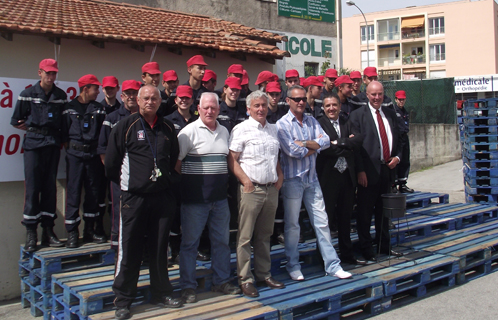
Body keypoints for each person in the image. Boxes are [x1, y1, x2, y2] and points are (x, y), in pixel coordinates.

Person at [106, 85, 183, 319]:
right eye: (146, 98)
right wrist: (131, 185)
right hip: (133, 199)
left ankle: (161, 292)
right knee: (129, 249)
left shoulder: (169, 127)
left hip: (161, 198)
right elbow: (111, 164)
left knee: (160, 249)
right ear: (137, 101)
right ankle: (123, 299)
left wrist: (167, 182)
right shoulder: (124, 127)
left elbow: (173, 161)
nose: (150, 102)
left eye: (155, 98)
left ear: (161, 102)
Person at [277, 85, 352, 281]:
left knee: (322, 223)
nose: (301, 102)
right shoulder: (282, 125)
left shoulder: (311, 120)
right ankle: (293, 266)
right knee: (293, 226)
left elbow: (326, 140)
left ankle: (332, 265)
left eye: (303, 98)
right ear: (288, 101)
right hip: (293, 181)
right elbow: (293, 151)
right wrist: (314, 146)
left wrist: (305, 143)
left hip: (312, 179)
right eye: (296, 99)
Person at [177, 92, 241, 304]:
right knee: (190, 245)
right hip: (195, 202)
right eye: (206, 107)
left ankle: (221, 281)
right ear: (199, 108)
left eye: (214, 107)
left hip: (220, 201)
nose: (210, 111)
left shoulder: (224, 131)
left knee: (222, 243)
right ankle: (187, 287)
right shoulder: (188, 133)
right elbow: (176, 166)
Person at [228, 90, 285, 297]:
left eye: (263, 105)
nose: (261, 109)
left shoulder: (273, 129)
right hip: (251, 189)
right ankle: (245, 279)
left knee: (264, 235)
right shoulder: (241, 129)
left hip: (271, 189)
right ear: (248, 109)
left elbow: (275, 156)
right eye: (257, 106)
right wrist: (245, 181)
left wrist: (280, 175)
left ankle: (264, 274)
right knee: (245, 237)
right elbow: (232, 159)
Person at [11, 58, 66, 252]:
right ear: (39, 73)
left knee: (50, 188)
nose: (51, 77)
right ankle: (31, 233)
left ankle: (48, 231)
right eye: (48, 73)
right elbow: (16, 120)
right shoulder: (27, 94)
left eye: (54, 73)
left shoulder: (60, 95)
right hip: (34, 145)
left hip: (52, 144)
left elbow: (64, 122)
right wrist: (33, 129)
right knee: (33, 187)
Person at [349, 81, 403, 261]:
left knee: (384, 212)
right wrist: (360, 171)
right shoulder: (357, 116)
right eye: (373, 94)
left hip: (387, 170)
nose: (377, 97)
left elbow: (400, 139)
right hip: (367, 172)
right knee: (365, 213)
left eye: (380, 94)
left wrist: (397, 157)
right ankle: (366, 249)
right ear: (366, 95)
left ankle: (384, 246)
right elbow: (355, 148)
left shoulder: (390, 113)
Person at [316, 93, 366, 265]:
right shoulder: (319, 124)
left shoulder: (347, 121)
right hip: (328, 178)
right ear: (323, 107)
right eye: (328, 105)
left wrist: (338, 142)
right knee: (326, 219)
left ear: (339, 106)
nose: (331, 108)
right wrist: (346, 145)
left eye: (334, 105)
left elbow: (358, 140)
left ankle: (347, 255)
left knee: (345, 218)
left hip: (347, 177)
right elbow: (325, 149)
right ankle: (323, 256)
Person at [62, 74, 107, 248]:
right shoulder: (69, 108)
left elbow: (103, 134)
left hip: (93, 155)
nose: (98, 92)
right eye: (96, 88)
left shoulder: (98, 109)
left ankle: (90, 229)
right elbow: (64, 135)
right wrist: (74, 149)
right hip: (74, 156)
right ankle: (72, 232)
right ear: (85, 88)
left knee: (93, 192)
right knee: (73, 193)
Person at [97, 80, 141, 250]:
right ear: (122, 96)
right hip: (119, 175)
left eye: (134, 93)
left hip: (141, 175)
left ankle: (137, 246)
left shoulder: (147, 117)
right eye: (128, 93)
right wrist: (114, 173)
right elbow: (103, 150)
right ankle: (117, 245)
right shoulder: (112, 118)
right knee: (118, 209)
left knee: (139, 210)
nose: (131, 96)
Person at [165, 85, 199, 262]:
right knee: (176, 212)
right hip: (176, 174)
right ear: (176, 100)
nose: (184, 100)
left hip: (195, 173)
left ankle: (194, 246)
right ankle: (175, 248)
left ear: (192, 100)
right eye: (181, 98)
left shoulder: (198, 120)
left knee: (193, 212)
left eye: (187, 97)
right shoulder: (168, 121)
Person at [96, 75, 121, 241]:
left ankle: (116, 234)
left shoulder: (121, 109)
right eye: (106, 88)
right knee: (99, 196)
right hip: (103, 162)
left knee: (117, 202)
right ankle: (99, 229)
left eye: (112, 88)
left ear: (117, 89)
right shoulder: (98, 109)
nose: (109, 90)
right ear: (102, 89)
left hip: (123, 167)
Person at [394, 90, 413, 193]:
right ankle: (394, 184)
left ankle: (403, 183)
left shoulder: (405, 112)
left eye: (403, 100)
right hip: (397, 138)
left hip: (405, 137)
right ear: (396, 99)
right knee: (397, 161)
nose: (401, 102)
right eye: (399, 99)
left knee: (405, 160)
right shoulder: (393, 111)